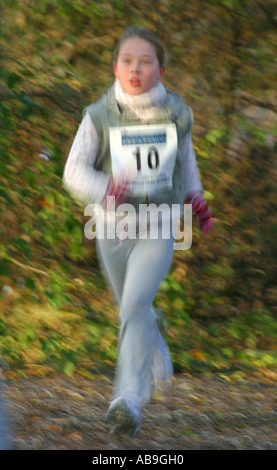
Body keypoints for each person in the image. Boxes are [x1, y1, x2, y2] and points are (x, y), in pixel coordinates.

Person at [63, 26, 214, 436]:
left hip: (160, 225)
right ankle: (152, 342)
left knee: (133, 306)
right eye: (127, 61)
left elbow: (187, 159)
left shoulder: (177, 113)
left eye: (145, 61)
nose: (136, 68)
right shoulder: (98, 116)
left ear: (160, 70)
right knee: (132, 309)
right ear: (115, 66)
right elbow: (73, 172)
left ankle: (127, 399)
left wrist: (196, 198)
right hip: (112, 226)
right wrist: (105, 188)